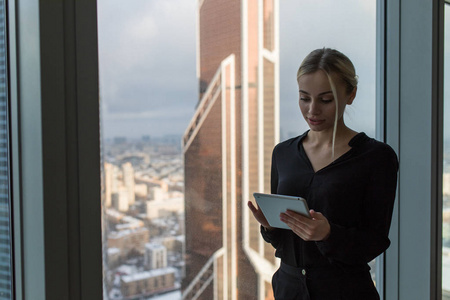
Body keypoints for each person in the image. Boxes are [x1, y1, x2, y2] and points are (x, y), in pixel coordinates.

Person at [248, 48, 399, 300]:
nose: (312, 110)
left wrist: (329, 235)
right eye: (304, 98)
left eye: (325, 100)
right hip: (288, 289)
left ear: (351, 94)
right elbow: (283, 242)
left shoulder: (376, 157)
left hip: (345, 291)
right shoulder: (283, 153)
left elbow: (375, 241)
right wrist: (271, 226)